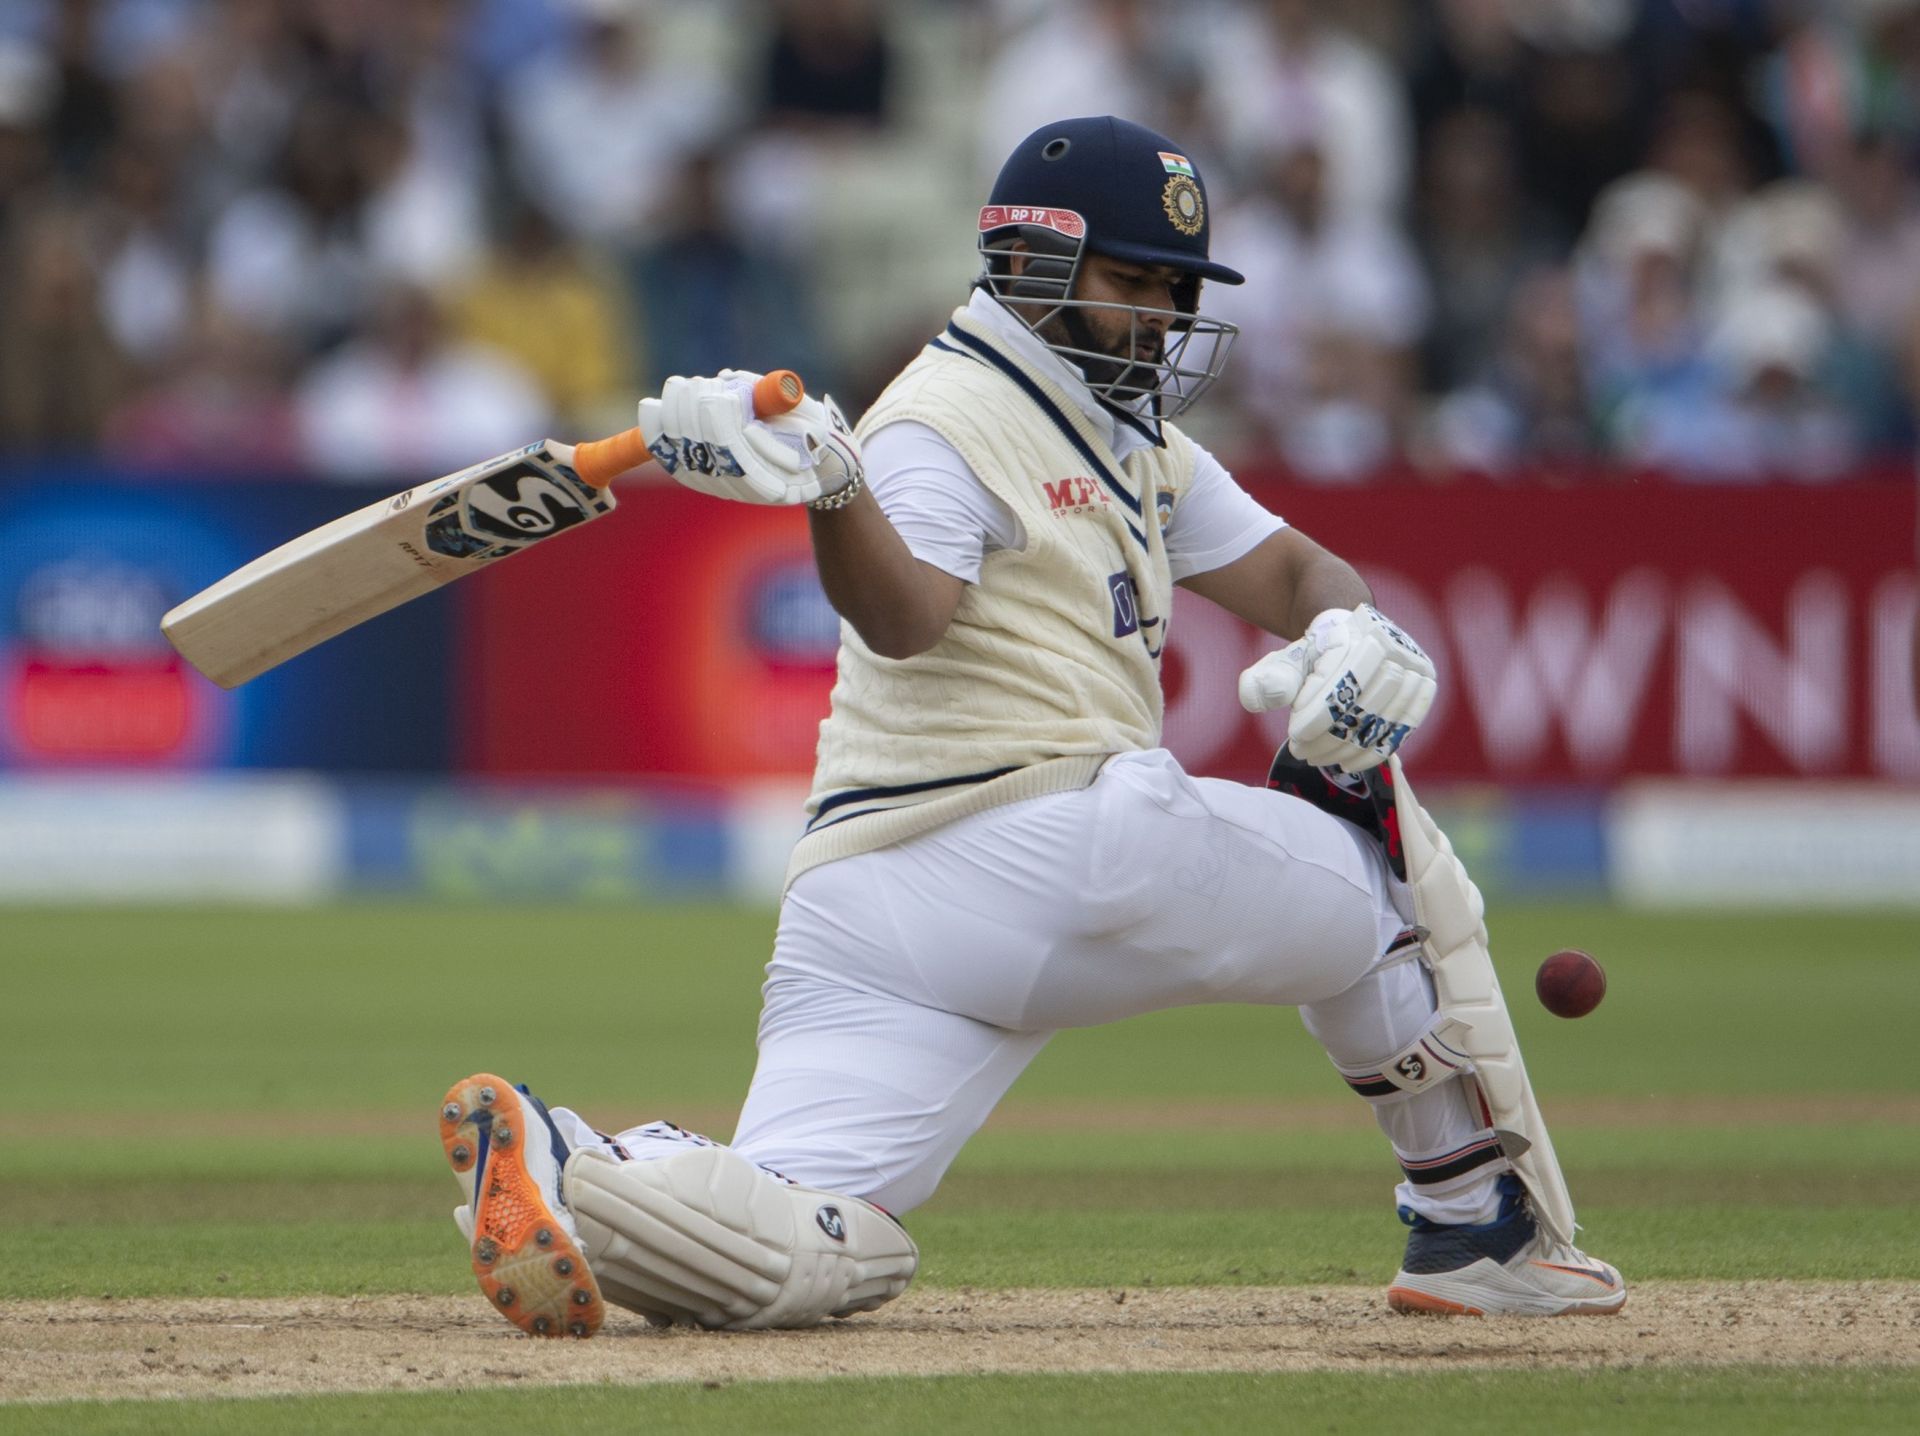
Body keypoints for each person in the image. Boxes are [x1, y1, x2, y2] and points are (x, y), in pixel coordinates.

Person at [437, 116, 1626, 1338]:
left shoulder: (1126, 425)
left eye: (1175, 289)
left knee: (810, 1243)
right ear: (1031, 265)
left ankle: (579, 1166)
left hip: (871, 903)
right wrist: (836, 488)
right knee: (1377, 849)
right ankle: (1479, 1222)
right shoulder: (941, 419)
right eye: (1132, 282)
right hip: (1052, 833)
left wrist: (1348, 632)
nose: (1161, 316)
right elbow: (905, 618)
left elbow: (1294, 574)